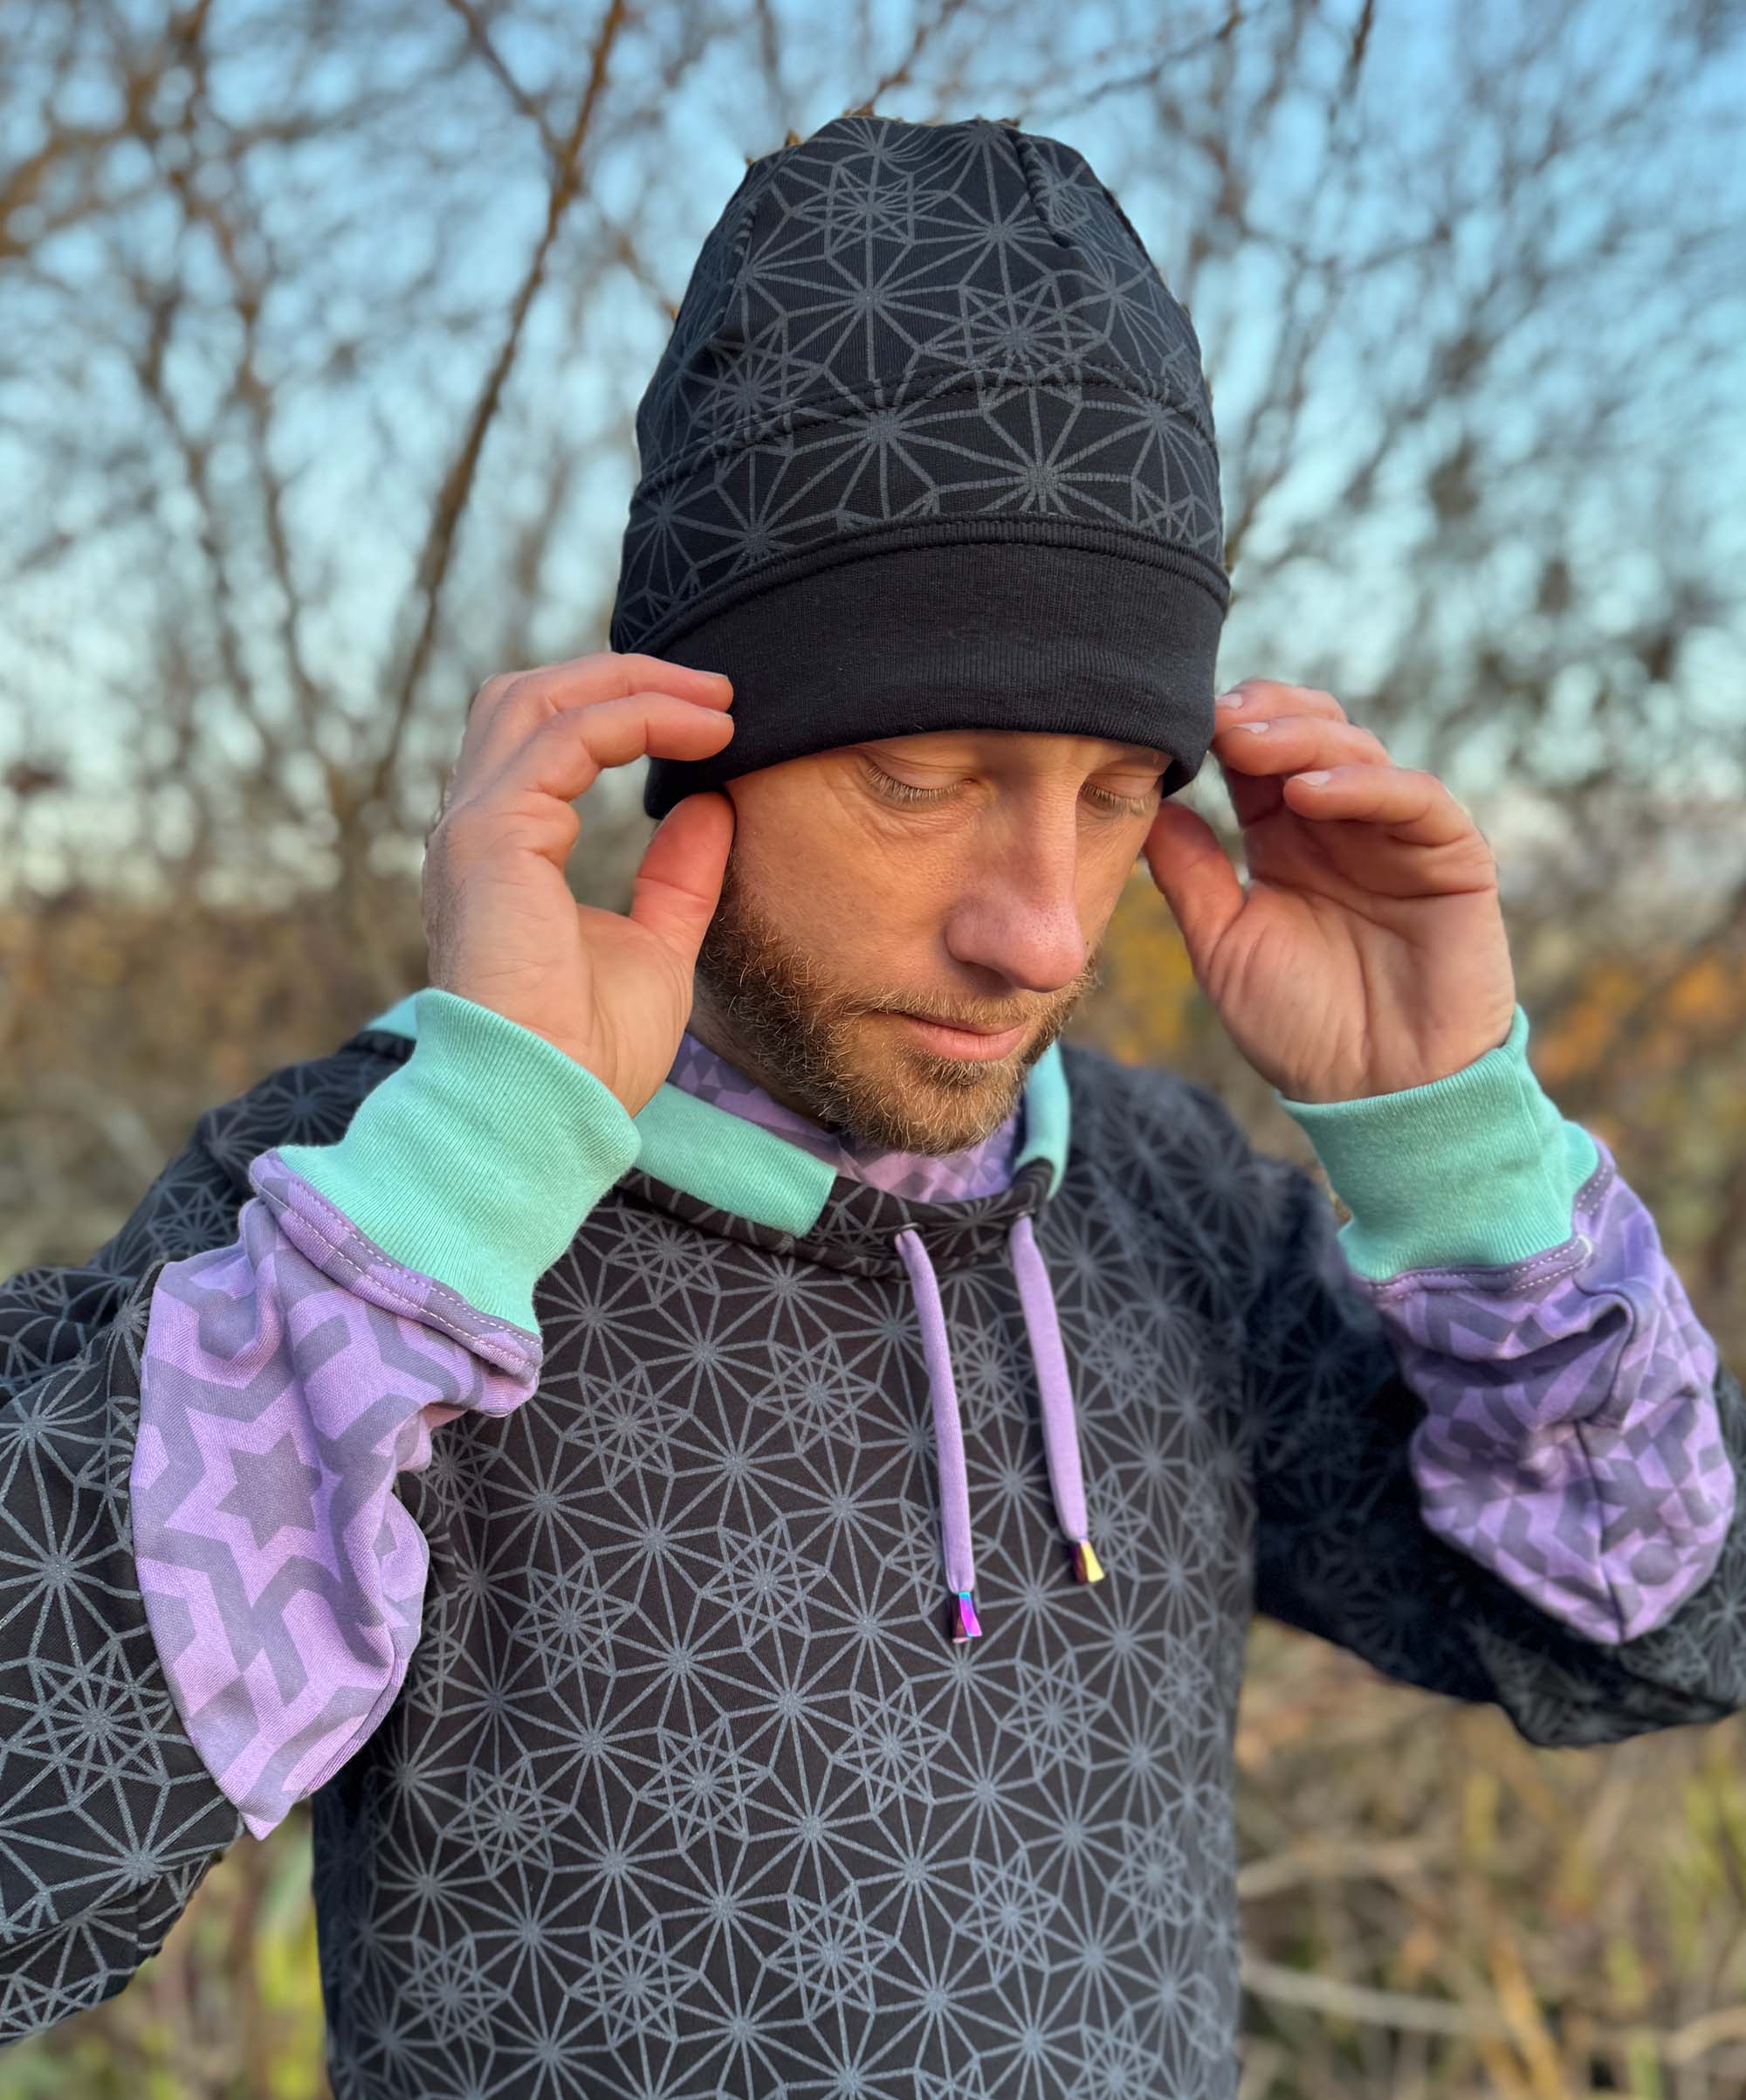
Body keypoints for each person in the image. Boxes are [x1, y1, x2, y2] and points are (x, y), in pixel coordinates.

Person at [3, 112, 1741, 2098]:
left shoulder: (1163, 1204)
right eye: (920, 774)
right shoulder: (366, 1209)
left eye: (1108, 796)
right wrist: (452, 1194)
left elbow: (1650, 1623)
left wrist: (1451, 1144)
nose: (1036, 929)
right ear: (686, 742)